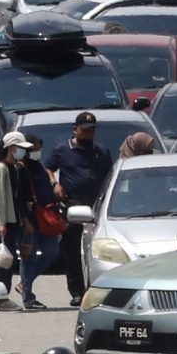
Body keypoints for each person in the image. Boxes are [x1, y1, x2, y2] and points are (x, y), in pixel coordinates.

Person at [44, 114, 114, 306]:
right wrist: (54, 184)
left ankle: (100, 290)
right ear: (75, 129)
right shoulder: (62, 150)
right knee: (73, 250)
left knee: (100, 249)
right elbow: (48, 168)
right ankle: (77, 292)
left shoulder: (102, 151)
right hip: (73, 205)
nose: (88, 132)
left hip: (98, 207)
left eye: (91, 129)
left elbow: (111, 175)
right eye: (84, 129)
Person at [0, 132, 56, 308]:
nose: (22, 152)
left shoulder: (14, 167)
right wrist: (0, 223)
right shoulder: (1, 169)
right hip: (3, 221)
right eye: (19, 148)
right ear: (11, 148)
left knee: (8, 261)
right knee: (5, 262)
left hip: (13, 219)